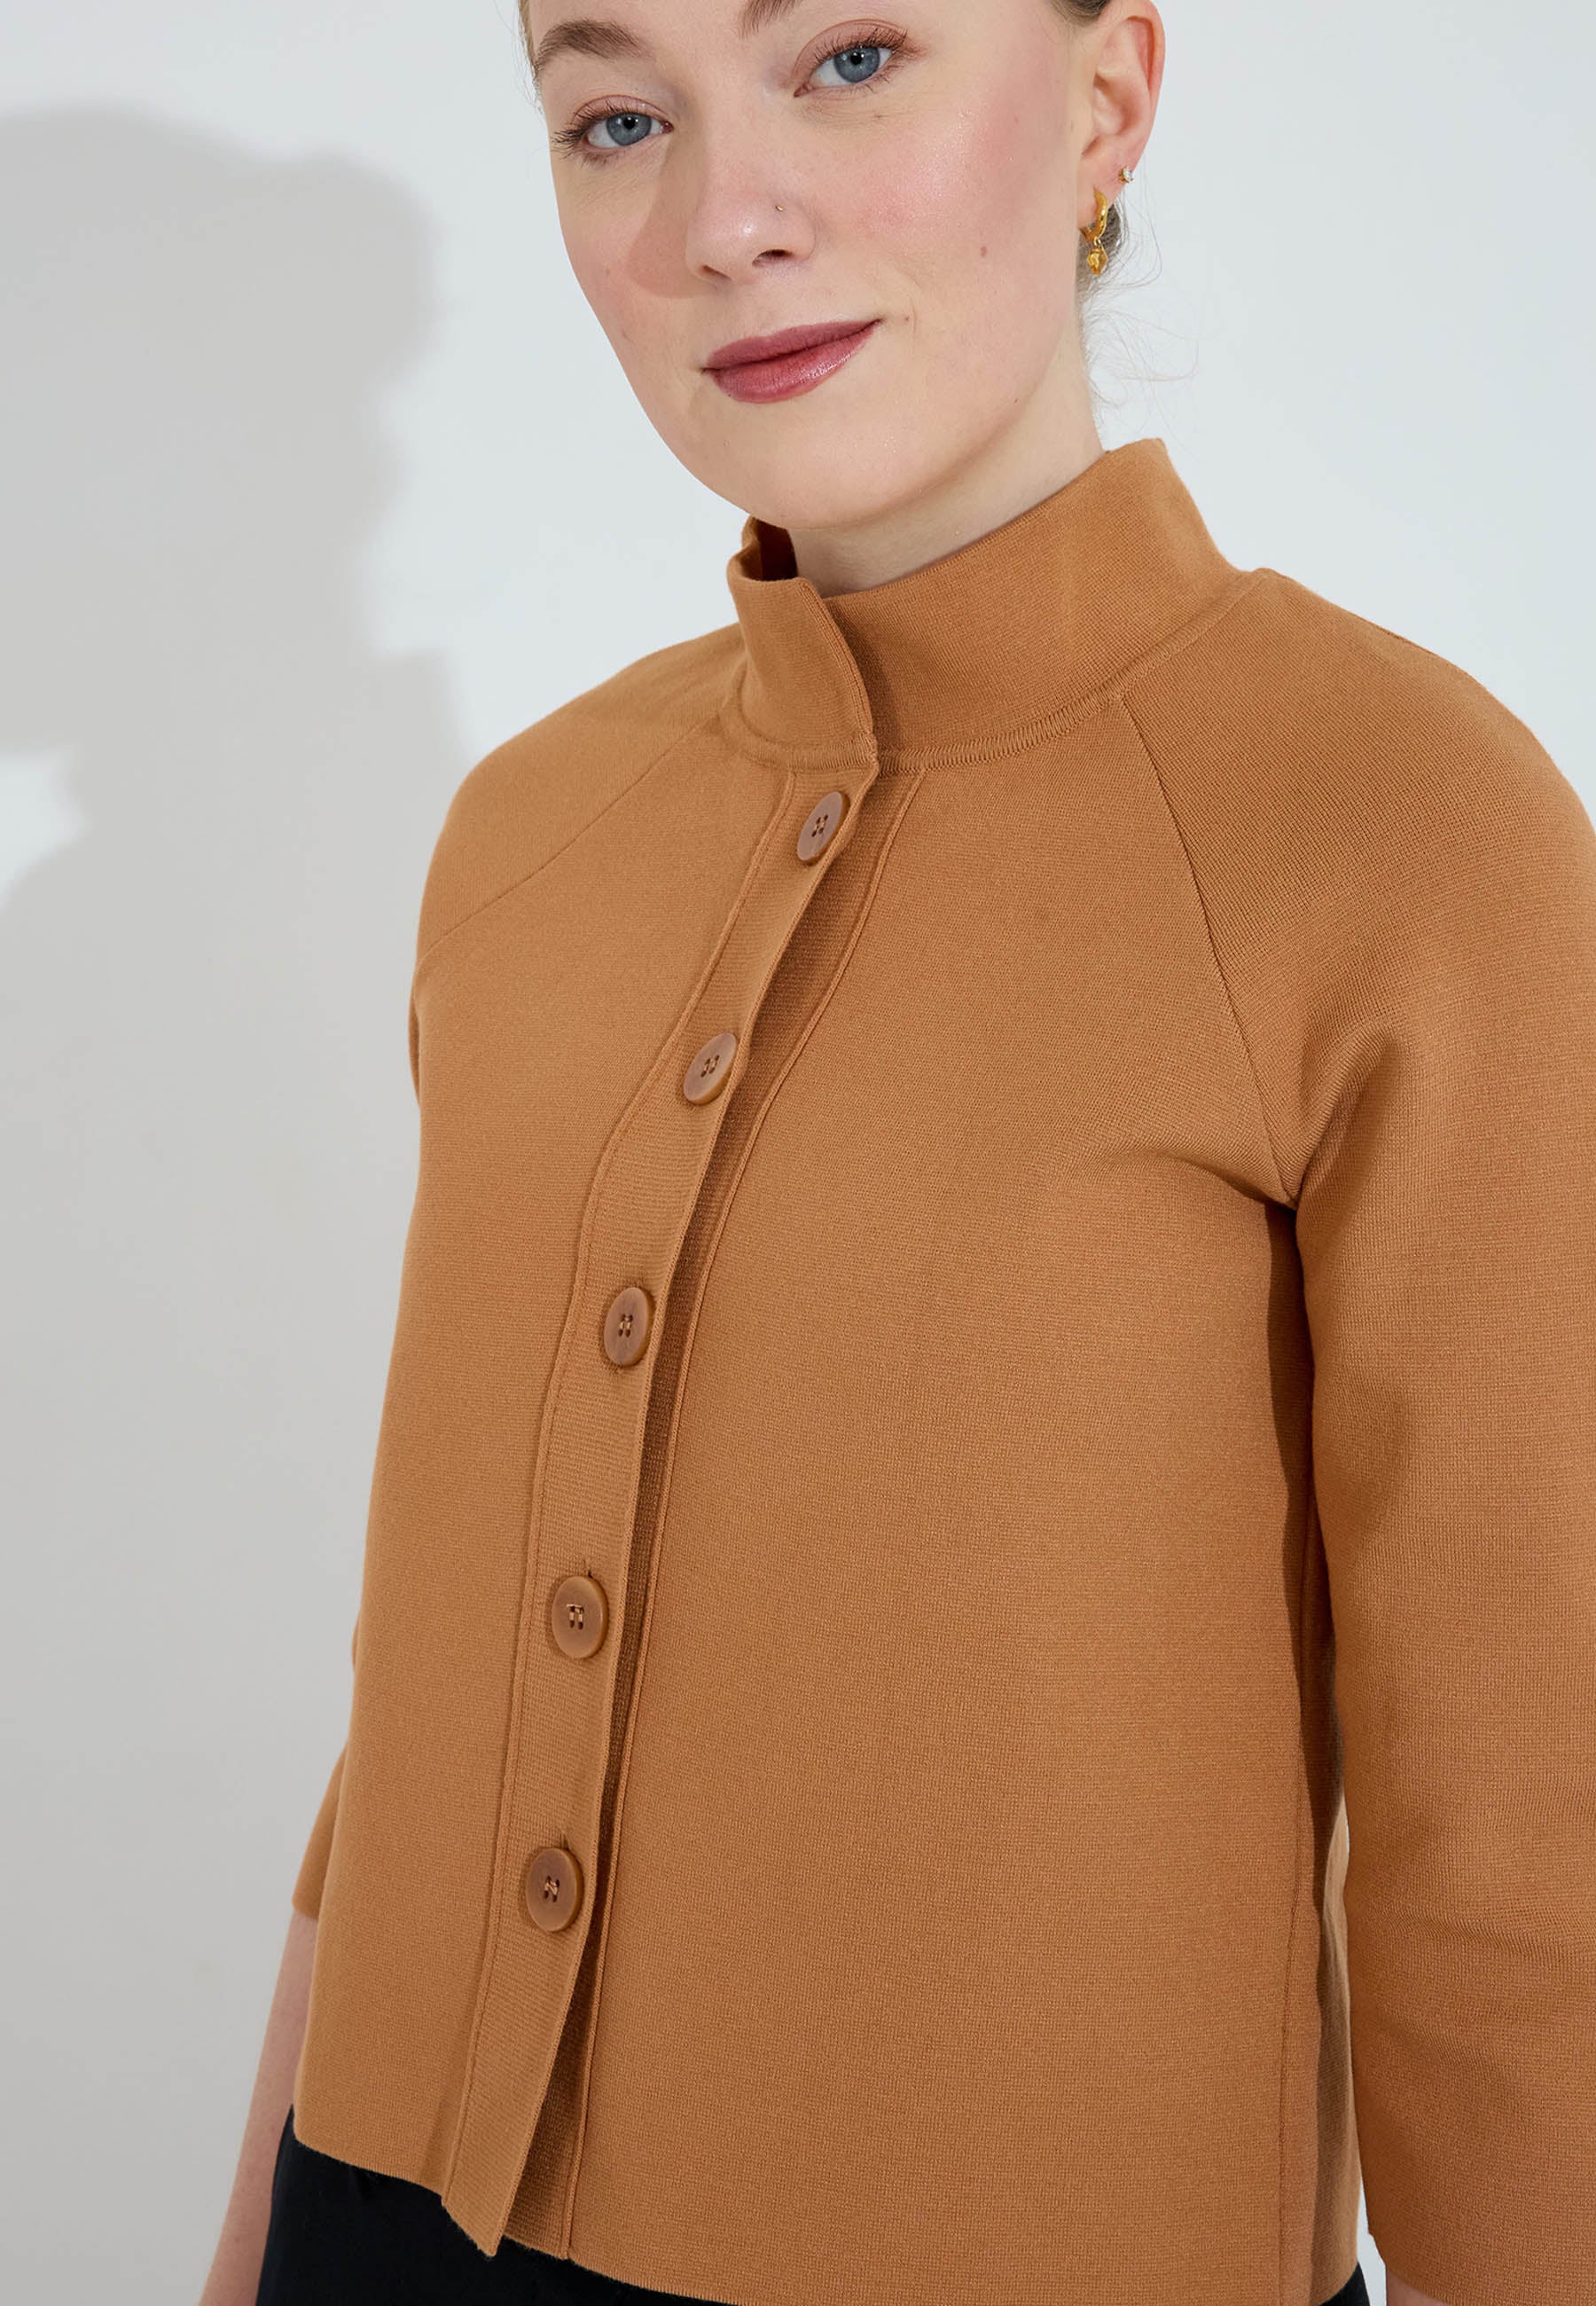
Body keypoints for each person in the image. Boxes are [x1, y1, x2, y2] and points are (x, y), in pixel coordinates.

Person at [200, 3, 1596, 2302]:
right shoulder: (529, 837)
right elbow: (430, 1692)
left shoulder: (1403, 836)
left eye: (849, 58)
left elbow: (1523, 1849)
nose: (724, 216)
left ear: (1107, 98)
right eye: (617, 116)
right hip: (385, 2221)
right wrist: (255, 2244)